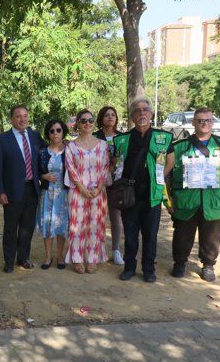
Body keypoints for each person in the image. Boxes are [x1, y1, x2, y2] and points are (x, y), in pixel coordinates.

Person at [165, 107, 220, 282]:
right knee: (182, 234)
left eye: (208, 120)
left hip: (215, 201)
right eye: (200, 120)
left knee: (212, 235)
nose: (204, 124)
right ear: (193, 123)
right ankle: (180, 263)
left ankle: (208, 264)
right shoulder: (179, 147)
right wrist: (168, 199)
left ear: (213, 122)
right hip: (186, 201)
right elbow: (167, 174)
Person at [113, 98, 173, 283]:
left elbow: (171, 161)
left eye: (145, 110)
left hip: (152, 195)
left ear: (151, 114)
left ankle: (148, 269)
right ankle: (129, 267)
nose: (142, 113)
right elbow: (116, 164)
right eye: (137, 111)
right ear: (132, 116)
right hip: (129, 195)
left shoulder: (163, 137)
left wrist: (159, 178)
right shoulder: (122, 139)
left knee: (150, 235)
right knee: (130, 234)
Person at [0, 105, 45, 273]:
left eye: (25, 116)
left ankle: (23, 258)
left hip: (32, 189)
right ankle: (8, 261)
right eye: (18, 116)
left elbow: (47, 154)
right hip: (12, 190)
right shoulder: (2, 139)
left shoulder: (36, 137)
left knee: (27, 227)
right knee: (10, 227)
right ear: (11, 119)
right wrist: (0, 191)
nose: (22, 119)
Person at [64, 110, 110, 274]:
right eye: (83, 120)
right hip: (78, 192)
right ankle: (77, 258)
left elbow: (105, 168)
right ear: (77, 124)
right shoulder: (71, 146)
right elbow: (71, 169)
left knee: (95, 225)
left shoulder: (103, 145)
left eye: (90, 120)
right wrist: (82, 189)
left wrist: (98, 188)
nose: (87, 123)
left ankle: (92, 258)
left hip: (98, 192)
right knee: (77, 226)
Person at [37, 119, 69, 270]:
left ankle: (60, 256)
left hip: (63, 194)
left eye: (58, 130)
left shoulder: (69, 150)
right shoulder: (43, 152)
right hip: (47, 193)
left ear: (63, 132)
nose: (55, 133)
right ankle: (48, 256)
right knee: (48, 224)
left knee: (61, 225)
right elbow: (36, 172)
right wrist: (44, 177)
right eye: (52, 130)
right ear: (48, 133)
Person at [94, 106, 125, 266]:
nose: (110, 117)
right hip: (96, 183)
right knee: (97, 217)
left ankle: (116, 250)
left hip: (117, 183)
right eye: (107, 115)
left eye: (113, 115)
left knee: (116, 217)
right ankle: (96, 248)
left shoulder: (123, 137)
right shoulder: (94, 137)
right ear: (101, 118)